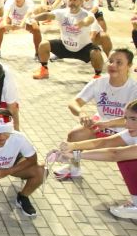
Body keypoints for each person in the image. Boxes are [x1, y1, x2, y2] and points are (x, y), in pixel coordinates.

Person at [55, 48, 137, 180]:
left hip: (128, 131)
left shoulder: (134, 88)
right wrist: (81, 113)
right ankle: (73, 168)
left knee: (127, 161)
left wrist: (108, 123)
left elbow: (134, 119)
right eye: (110, 61)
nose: (113, 65)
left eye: (119, 62)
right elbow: (74, 102)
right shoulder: (99, 82)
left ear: (129, 66)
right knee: (75, 135)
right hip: (101, 126)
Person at [57, 99, 137, 219]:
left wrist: (76, 155)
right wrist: (73, 146)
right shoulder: (132, 132)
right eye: (126, 118)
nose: (127, 124)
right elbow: (105, 142)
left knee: (126, 158)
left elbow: (114, 154)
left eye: (133, 119)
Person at [31, 0, 104, 79]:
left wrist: (83, 23)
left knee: (96, 53)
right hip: (64, 46)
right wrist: (33, 18)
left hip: (83, 48)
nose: (72, 2)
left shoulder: (87, 14)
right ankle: (44, 69)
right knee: (44, 44)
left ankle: (97, 75)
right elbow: (47, 15)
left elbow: (89, 20)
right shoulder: (62, 12)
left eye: (75, 0)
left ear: (81, 1)